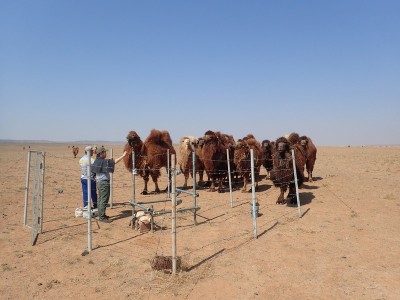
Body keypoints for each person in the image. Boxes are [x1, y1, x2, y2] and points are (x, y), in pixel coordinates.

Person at [92, 146, 127, 223]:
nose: (106, 153)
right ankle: (102, 217)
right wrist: (123, 156)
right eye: (104, 152)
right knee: (104, 199)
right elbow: (114, 162)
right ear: (101, 153)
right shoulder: (103, 162)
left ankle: (102, 214)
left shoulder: (97, 161)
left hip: (98, 182)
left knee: (100, 199)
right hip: (104, 183)